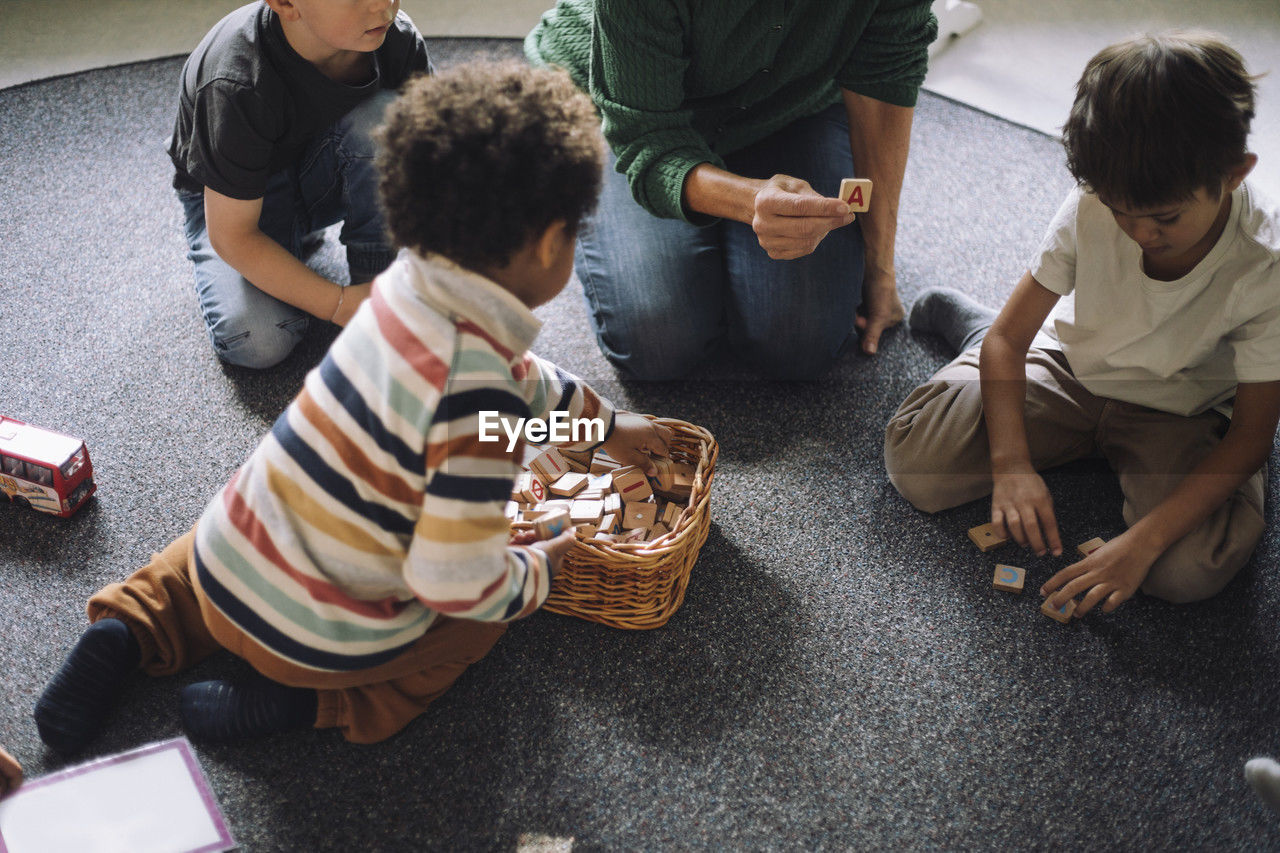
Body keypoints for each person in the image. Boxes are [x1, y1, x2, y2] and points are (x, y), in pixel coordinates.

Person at [35, 61, 673, 751]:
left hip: (227, 568)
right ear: (552, 242)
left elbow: (522, 385)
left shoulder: (404, 287)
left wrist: (604, 423)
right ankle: (310, 707)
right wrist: (536, 573)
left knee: (220, 531)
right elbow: (455, 580)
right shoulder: (479, 397)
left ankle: (127, 627)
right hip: (315, 642)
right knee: (475, 627)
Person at [884, 31, 1280, 615]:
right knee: (916, 462)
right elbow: (1009, 340)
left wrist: (1141, 544)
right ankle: (972, 328)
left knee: (1189, 570)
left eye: (1164, 217)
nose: (1140, 233)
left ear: (1236, 172)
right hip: (1072, 367)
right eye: (1121, 212)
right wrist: (1010, 464)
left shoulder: (1264, 264)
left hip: (1181, 410)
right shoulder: (1093, 202)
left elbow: (1252, 436)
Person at [525, 0, 936, 380]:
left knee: (802, 346)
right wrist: (749, 201)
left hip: (790, 104)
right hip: (630, 109)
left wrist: (880, 268)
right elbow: (646, 137)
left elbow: (888, 74)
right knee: (657, 342)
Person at [167, 0, 431, 369]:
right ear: (286, 4)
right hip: (234, 212)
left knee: (390, 124)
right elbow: (233, 235)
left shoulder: (397, 41)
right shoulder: (236, 78)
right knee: (259, 342)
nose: (383, 5)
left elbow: (428, 168)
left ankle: (372, 283)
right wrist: (339, 304)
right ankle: (303, 258)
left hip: (319, 176)